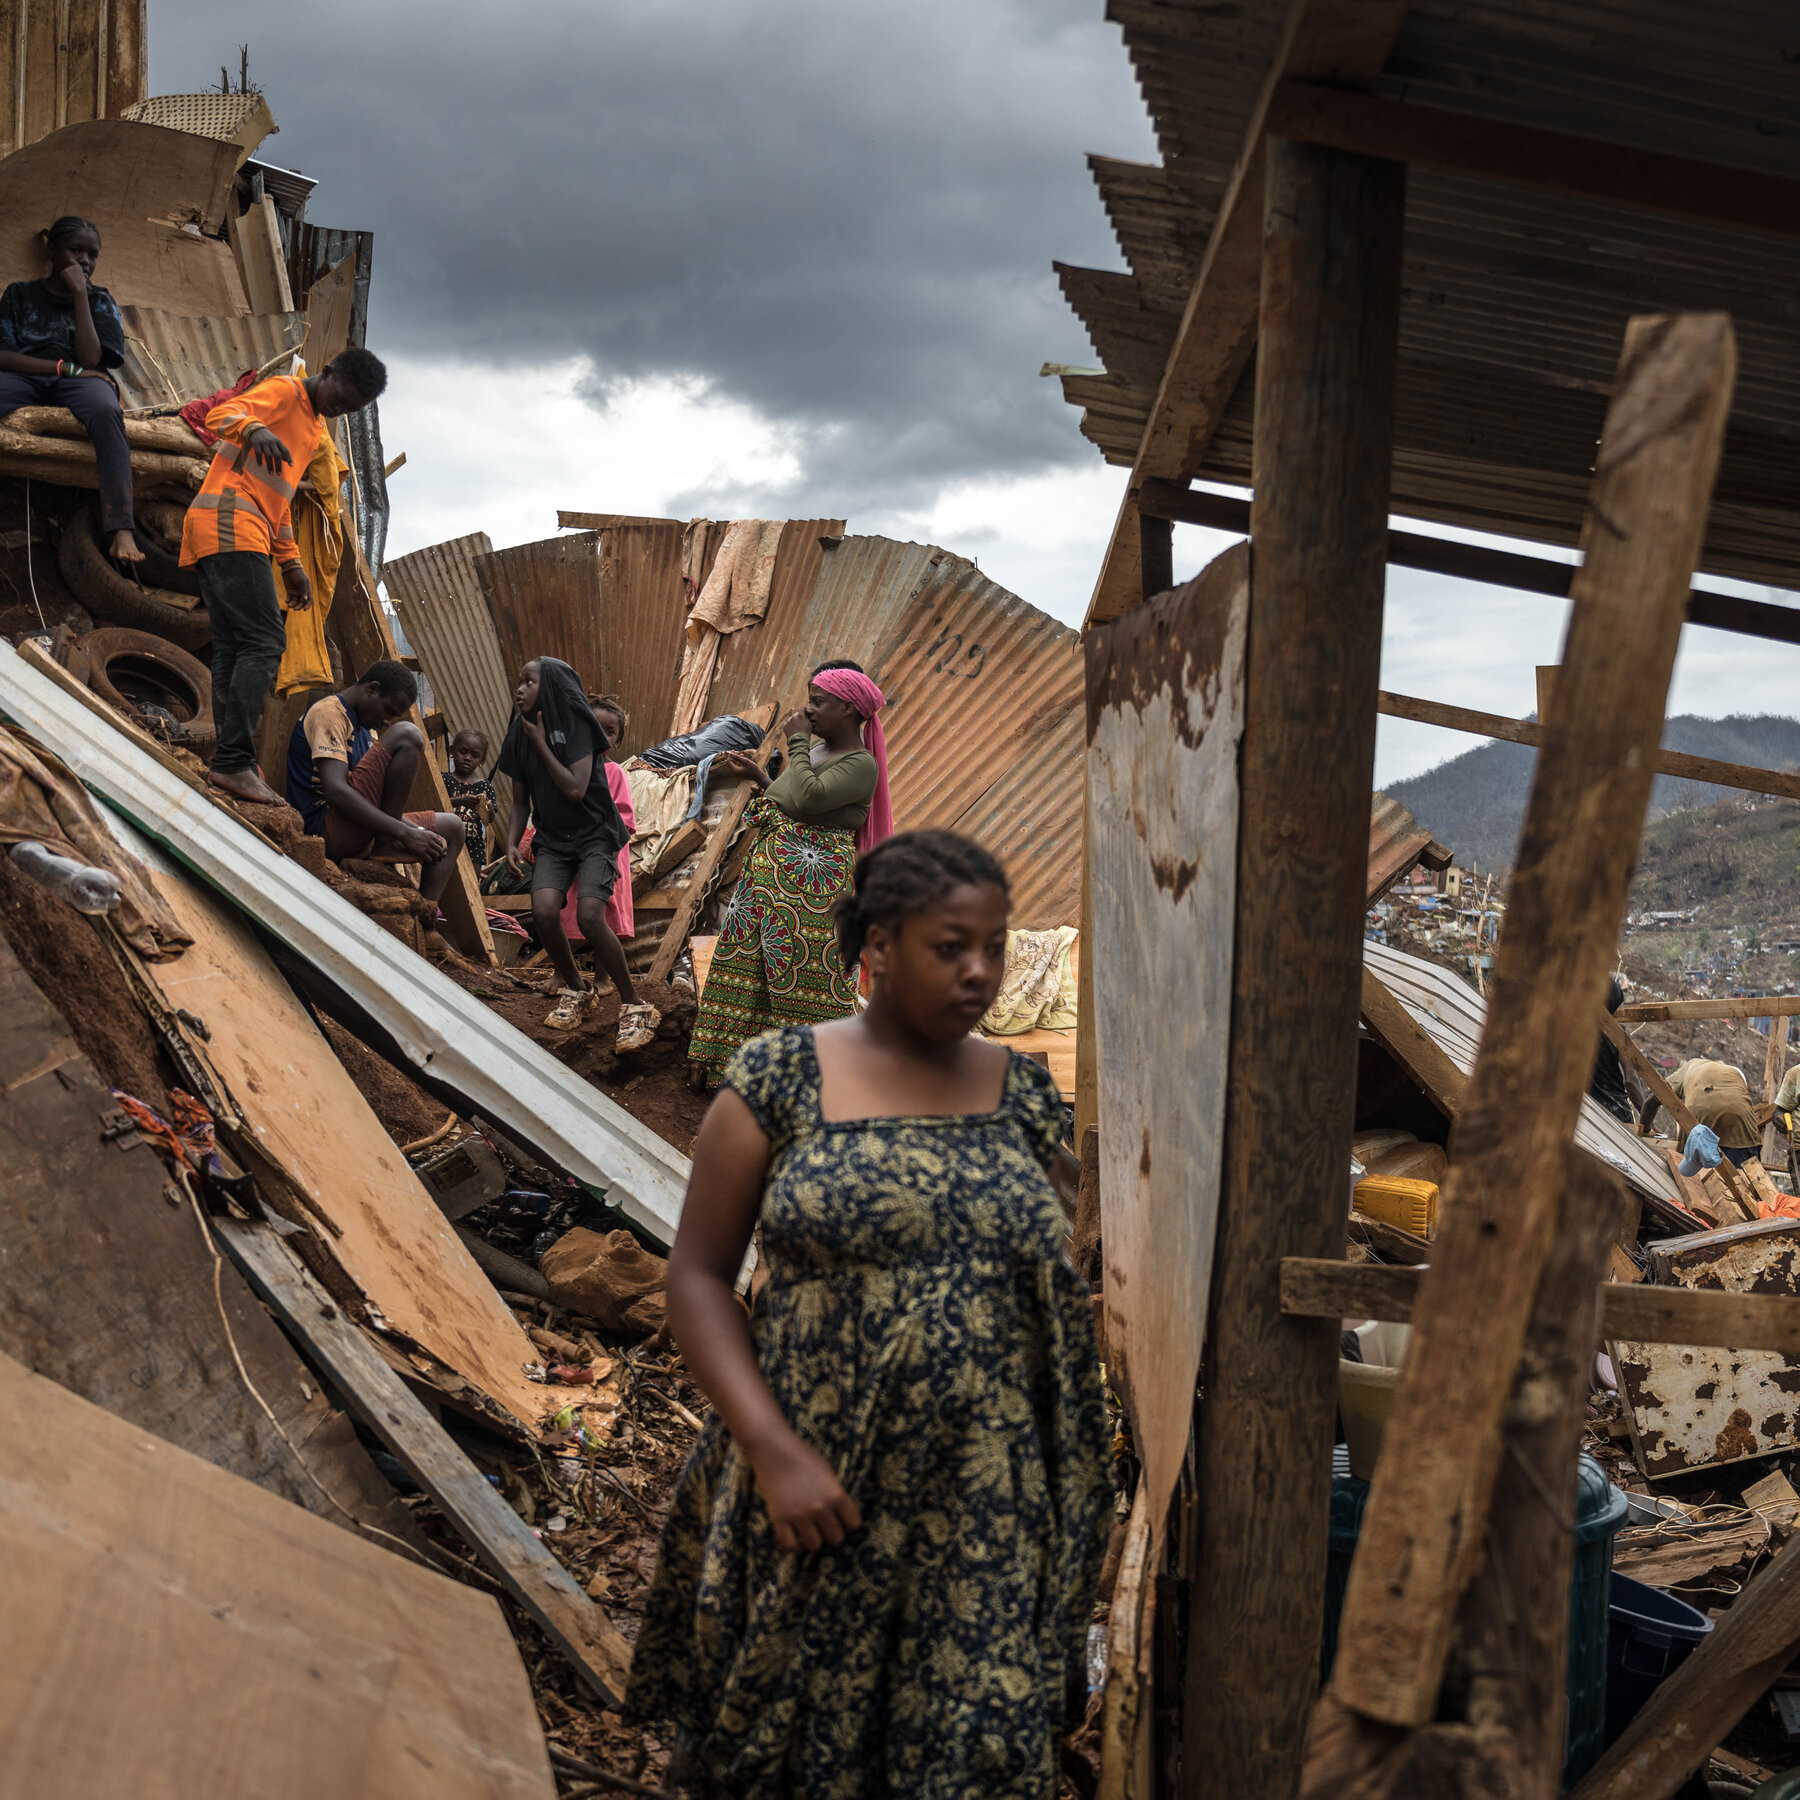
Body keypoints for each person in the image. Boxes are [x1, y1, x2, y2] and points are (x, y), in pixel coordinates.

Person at [627, 829, 1110, 1797]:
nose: (979, 972)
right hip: (820, 1492)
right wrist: (772, 1451)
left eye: (995, 946)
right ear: (880, 946)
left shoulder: (1024, 1093)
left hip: (983, 1502)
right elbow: (697, 1279)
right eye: (950, 946)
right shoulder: (781, 1079)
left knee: (968, 1745)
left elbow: (1058, 1276)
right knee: (805, 1743)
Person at [181, 347, 389, 806]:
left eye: (350, 409)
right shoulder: (283, 392)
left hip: (241, 526)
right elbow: (219, 415)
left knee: (236, 645)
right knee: (266, 640)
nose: (339, 409)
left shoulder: (313, 431)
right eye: (340, 396)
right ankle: (234, 761)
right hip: (229, 521)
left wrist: (292, 563)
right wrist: (254, 429)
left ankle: (229, 760)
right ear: (328, 372)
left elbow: (279, 500)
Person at [687, 660, 894, 1084]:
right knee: (749, 972)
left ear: (851, 709)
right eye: (809, 702)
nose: (809, 710)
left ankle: (816, 1083)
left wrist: (796, 743)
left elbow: (808, 796)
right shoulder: (819, 752)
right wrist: (763, 777)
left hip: (811, 892)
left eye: (818, 702)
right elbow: (792, 797)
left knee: (804, 978)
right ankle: (741, 1074)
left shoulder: (860, 763)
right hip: (768, 883)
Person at [499, 657, 659, 1048]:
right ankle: (577, 987)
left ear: (551, 687)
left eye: (529, 682)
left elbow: (574, 787)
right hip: (553, 839)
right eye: (518, 682)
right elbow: (521, 800)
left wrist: (540, 742)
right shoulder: (519, 732)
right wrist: (510, 841)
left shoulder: (578, 729)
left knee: (590, 915)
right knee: (543, 910)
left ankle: (635, 1005)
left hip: (596, 837)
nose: (519, 688)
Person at [285, 660, 467, 933]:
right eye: (389, 711)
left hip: (355, 825)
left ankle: (426, 927)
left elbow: (365, 795)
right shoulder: (329, 713)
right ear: (372, 689)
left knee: (452, 829)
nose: (387, 721)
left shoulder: (362, 729)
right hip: (324, 826)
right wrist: (404, 833)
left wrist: (410, 830)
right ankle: (386, 842)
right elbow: (335, 790)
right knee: (409, 735)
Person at [0, 217, 139, 567]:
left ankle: (121, 527)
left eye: (92, 255)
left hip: (82, 381)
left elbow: (93, 357)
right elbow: (2, 355)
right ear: (51, 250)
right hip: (29, 374)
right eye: (75, 250)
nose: (84, 261)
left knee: (108, 412)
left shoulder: (101, 300)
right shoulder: (19, 294)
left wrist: (80, 293)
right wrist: (60, 367)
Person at [1649, 1056, 1761, 1167]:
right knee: (1746, 1178)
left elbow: (1652, 1101)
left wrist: (1645, 1130)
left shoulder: (1689, 1067)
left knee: (1693, 1178)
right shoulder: (1732, 1074)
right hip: (1740, 1118)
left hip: (1699, 1116)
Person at [1588, 977, 1643, 1126]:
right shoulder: (1618, 1033)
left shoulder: (1575, 1031)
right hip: (1615, 1111)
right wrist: (1647, 1122)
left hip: (1584, 1111)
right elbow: (1631, 1081)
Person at [445, 728, 498, 869]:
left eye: (474, 755)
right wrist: (460, 801)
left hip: (473, 848)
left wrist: (489, 808)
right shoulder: (443, 780)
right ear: (452, 751)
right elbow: (437, 804)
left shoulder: (485, 786)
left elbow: (490, 819)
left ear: (482, 760)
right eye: (463, 752)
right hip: (444, 843)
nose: (467, 757)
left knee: (473, 887)